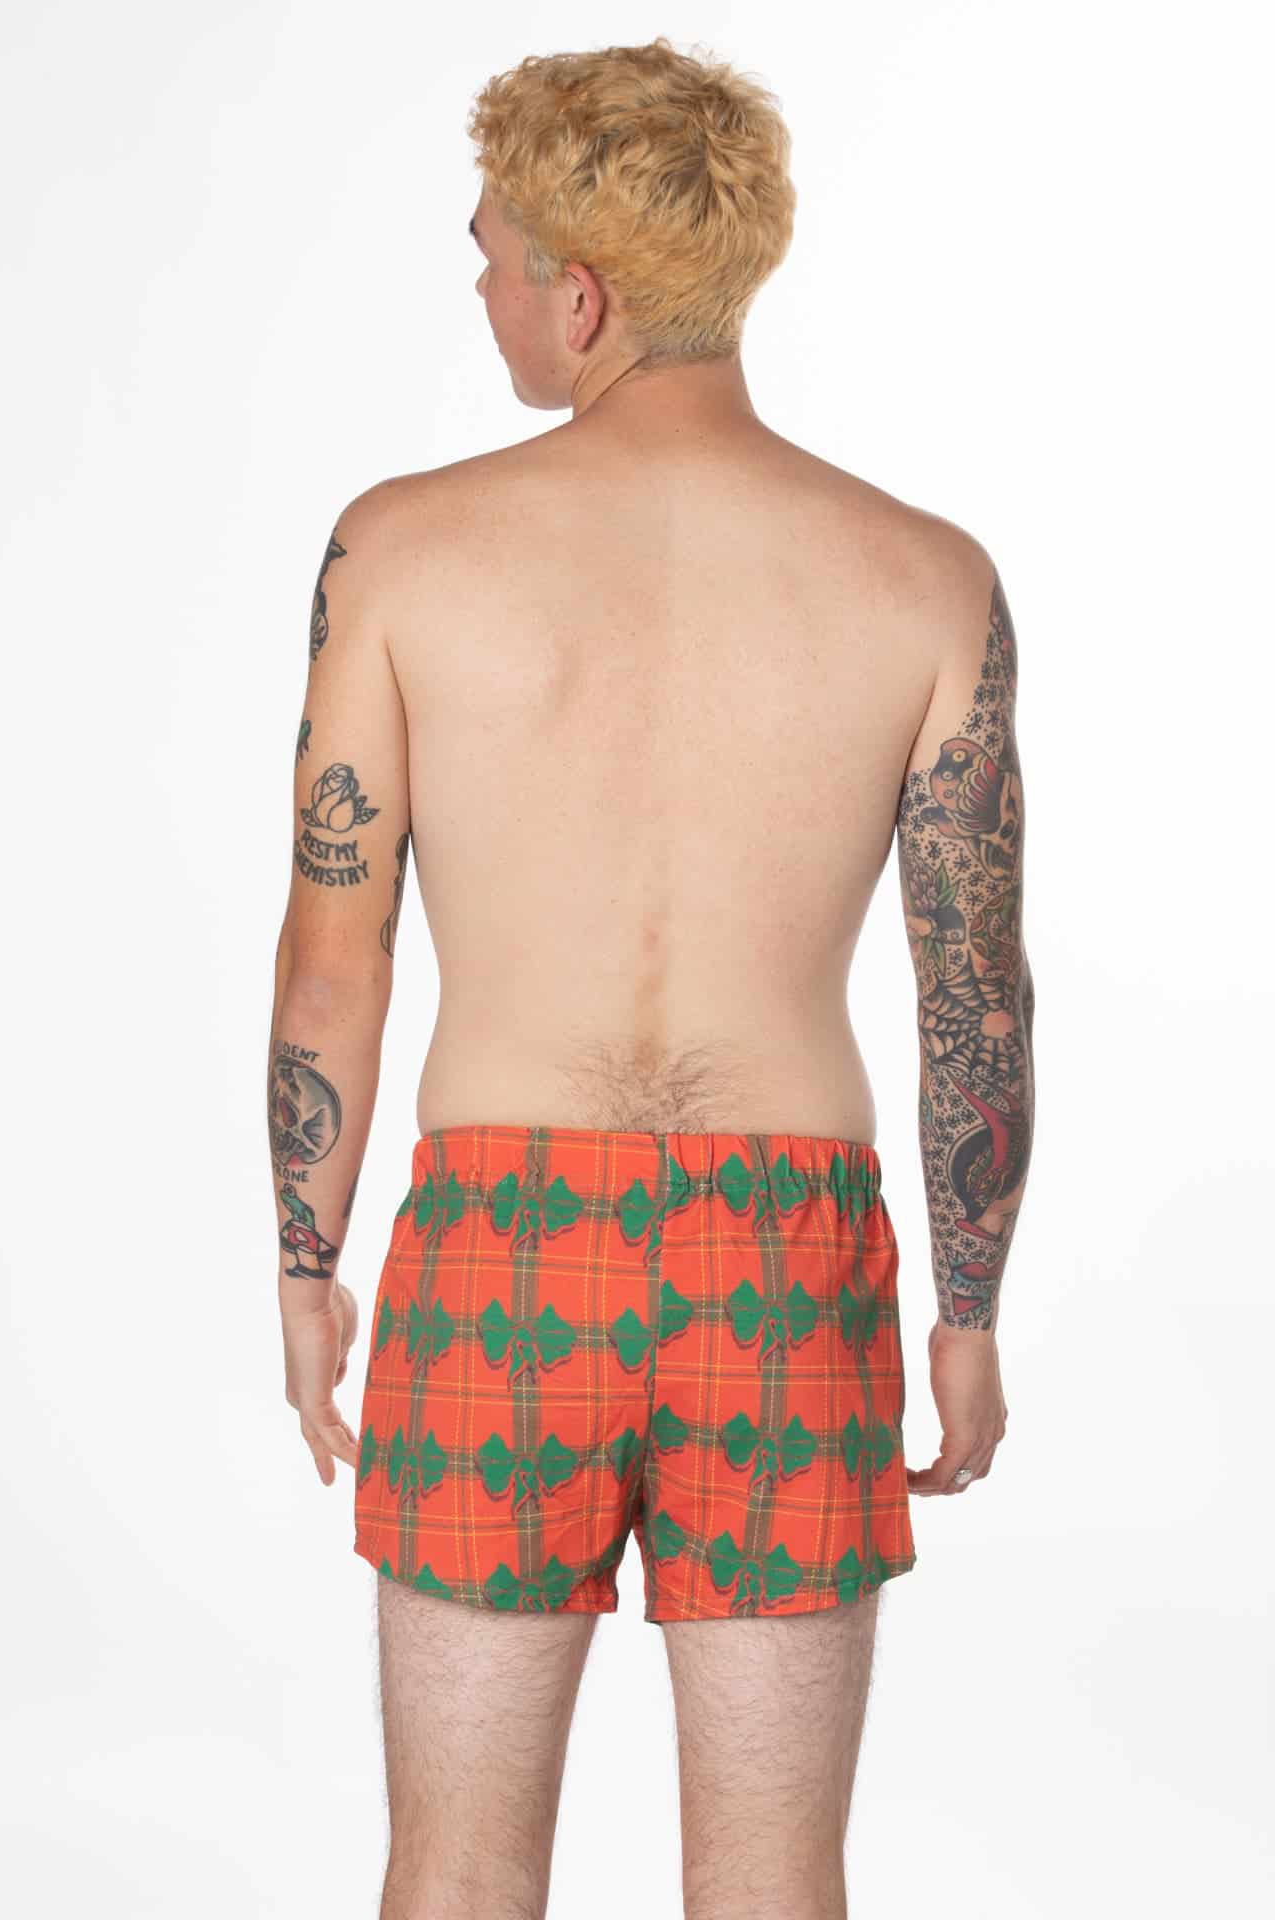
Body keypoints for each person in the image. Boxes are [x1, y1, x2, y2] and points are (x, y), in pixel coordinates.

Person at [267, 34, 1034, 1920]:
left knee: (455, 1868)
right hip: (791, 1253)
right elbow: (975, 991)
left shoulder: (403, 550)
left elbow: (332, 948)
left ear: (581, 294)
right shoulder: (925, 576)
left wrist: (306, 1261)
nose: (481, 288)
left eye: (491, 254)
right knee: (776, 1876)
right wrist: (968, 1309)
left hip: (500, 1243)